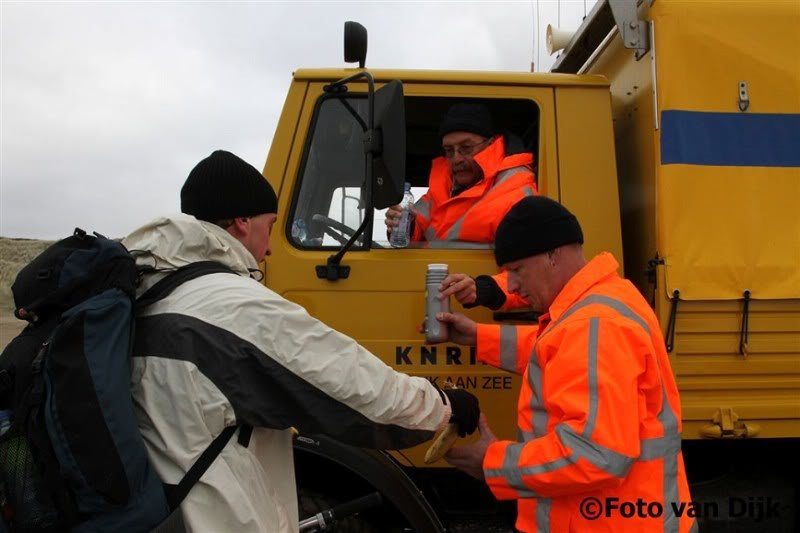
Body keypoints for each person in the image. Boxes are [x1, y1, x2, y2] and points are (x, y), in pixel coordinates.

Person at [123, 150, 480, 533]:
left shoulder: (150, 292)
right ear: (242, 222)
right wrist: (444, 406)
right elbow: (362, 391)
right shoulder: (234, 307)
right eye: (272, 225)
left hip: (158, 510)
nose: (272, 247)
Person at [432, 196, 695, 532]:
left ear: (553, 255)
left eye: (515, 270)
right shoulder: (607, 300)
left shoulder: (595, 325)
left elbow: (593, 454)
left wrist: (492, 461)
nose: (511, 285)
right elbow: (559, 354)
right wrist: (478, 338)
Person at [384, 102, 538, 245]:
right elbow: (419, 225)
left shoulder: (517, 191)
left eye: (466, 148)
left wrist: (481, 277)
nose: (456, 159)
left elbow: (529, 269)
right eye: (449, 150)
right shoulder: (441, 187)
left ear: (490, 145)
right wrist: (404, 224)